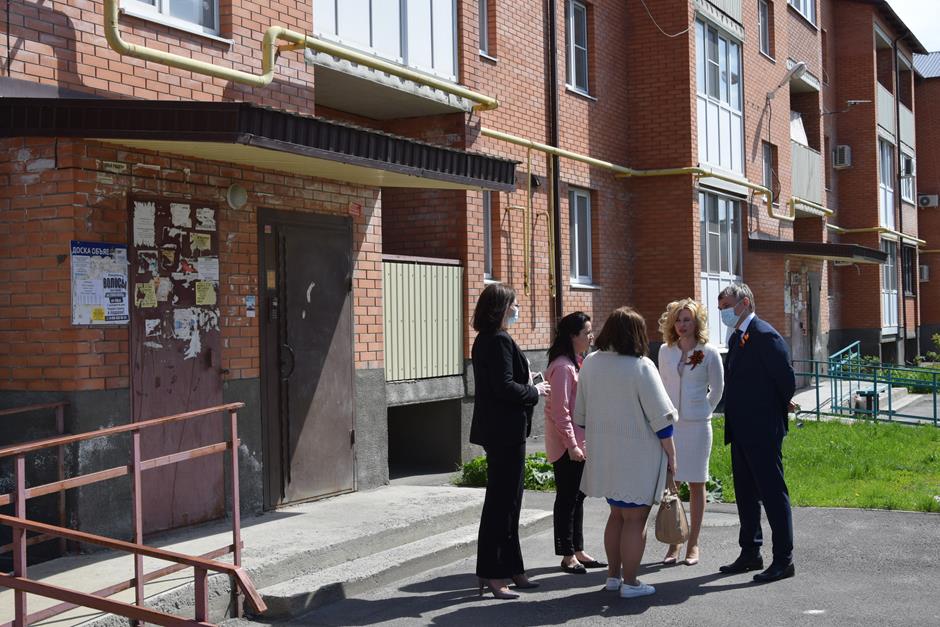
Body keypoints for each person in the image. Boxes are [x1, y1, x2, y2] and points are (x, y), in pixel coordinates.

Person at [574, 307, 678, 599]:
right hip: (637, 456)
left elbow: (580, 415)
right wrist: (672, 455)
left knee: (617, 516)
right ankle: (631, 583)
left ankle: (613, 576)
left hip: (605, 454)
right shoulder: (641, 366)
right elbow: (662, 419)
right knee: (635, 520)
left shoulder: (591, 362)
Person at [469, 284, 551, 599]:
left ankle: (513, 568)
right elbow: (503, 387)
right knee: (502, 505)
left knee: (509, 503)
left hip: (501, 432)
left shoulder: (487, 339)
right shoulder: (498, 340)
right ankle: (494, 573)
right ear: (500, 308)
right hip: (504, 433)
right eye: (514, 304)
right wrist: (534, 391)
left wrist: (526, 382)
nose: (517, 309)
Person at [716, 283, 797, 583]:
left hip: (762, 429)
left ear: (745, 303)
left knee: (772, 493)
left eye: (727, 306)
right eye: (720, 307)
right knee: (746, 495)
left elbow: (785, 380)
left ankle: (783, 560)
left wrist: (774, 407)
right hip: (741, 430)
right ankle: (751, 551)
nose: (723, 312)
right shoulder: (737, 336)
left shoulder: (764, 334)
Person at [657, 298, 724, 566]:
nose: (682, 325)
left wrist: (703, 409)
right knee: (672, 485)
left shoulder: (709, 352)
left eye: (687, 320)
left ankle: (693, 543)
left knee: (697, 483)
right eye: (678, 320)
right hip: (671, 426)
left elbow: (718, 389)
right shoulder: (665, 351)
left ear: (696, 323)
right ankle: (675, 541)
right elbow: (660, 387)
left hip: (697, 426)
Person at [544, 311, 606, 575]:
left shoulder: (576, 362)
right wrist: (572, 444)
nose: (591, 337)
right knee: (567, 498)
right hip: (567, 446)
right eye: (586, 333)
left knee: (577, 498)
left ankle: (578, 550)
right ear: (572, 336)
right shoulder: (562, 367)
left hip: (578, 443)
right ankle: (567, 554)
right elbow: (560, 412)